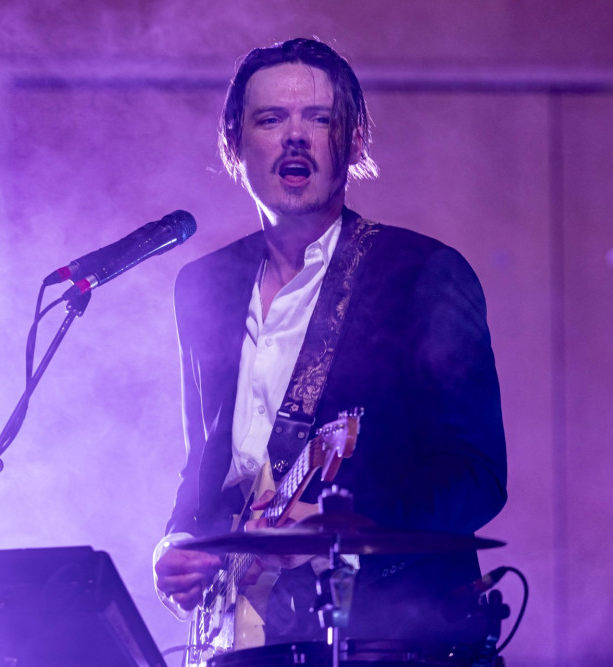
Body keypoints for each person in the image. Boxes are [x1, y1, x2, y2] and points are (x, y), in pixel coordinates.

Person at [153, 37, 507, 650]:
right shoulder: (202, 285)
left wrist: (346, 526)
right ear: (234, 143)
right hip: (245, 639)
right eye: (271, 119)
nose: (296, 136)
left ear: (356, 140)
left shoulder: (421, 273)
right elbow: (207, 465)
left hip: (386, 641)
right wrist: (178, 542)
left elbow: (476, 474)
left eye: (319, 119)